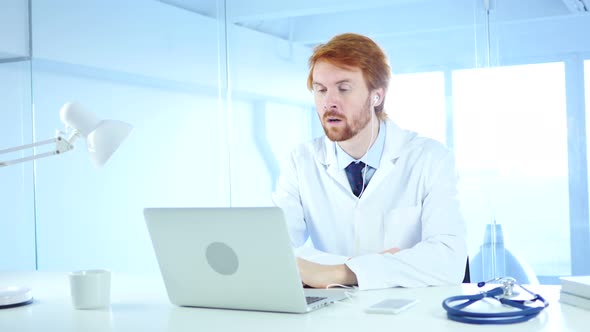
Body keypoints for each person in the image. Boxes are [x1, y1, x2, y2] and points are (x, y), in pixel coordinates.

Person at [272, 33, 467, 291]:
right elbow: (275, 252)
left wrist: (340, 272)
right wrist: (375, 265)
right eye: (320, 90)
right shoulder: (301, 161)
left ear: (377, 95)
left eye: (343, 88)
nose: (329, 102)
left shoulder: (431, 159)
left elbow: (448, 261)